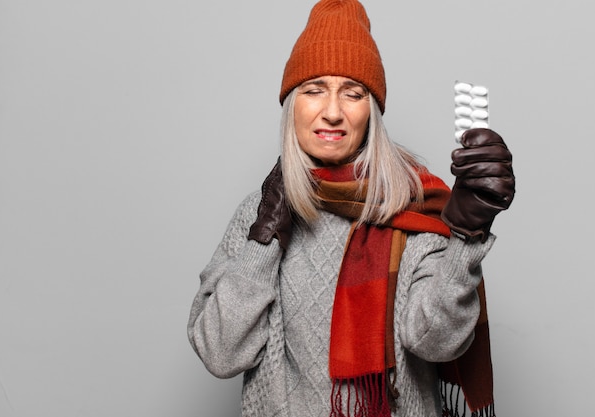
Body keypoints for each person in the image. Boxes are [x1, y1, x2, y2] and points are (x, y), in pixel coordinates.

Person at [187, 1, 515, 416]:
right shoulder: (257, 213)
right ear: (292, 105)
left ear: (371, 112)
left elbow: (436, 341)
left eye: (353, 93)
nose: (333, 112)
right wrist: (264, 238)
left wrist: (467, 239)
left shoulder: (415, 205)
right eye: (314, 89)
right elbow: (220, 354)